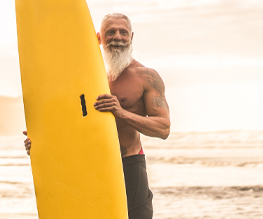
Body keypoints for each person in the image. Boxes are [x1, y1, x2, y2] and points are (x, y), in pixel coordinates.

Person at [23, 13, 170, 219]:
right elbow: (69, 122)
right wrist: (41, 144)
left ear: (131, 37)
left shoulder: (146, 76)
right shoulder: (81, 78)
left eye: (123, 32)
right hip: (88, 167)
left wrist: (121, 113)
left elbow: (163, 128)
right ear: (99, 37)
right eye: (111, 32)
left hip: (128, 166)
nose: (117, 37)